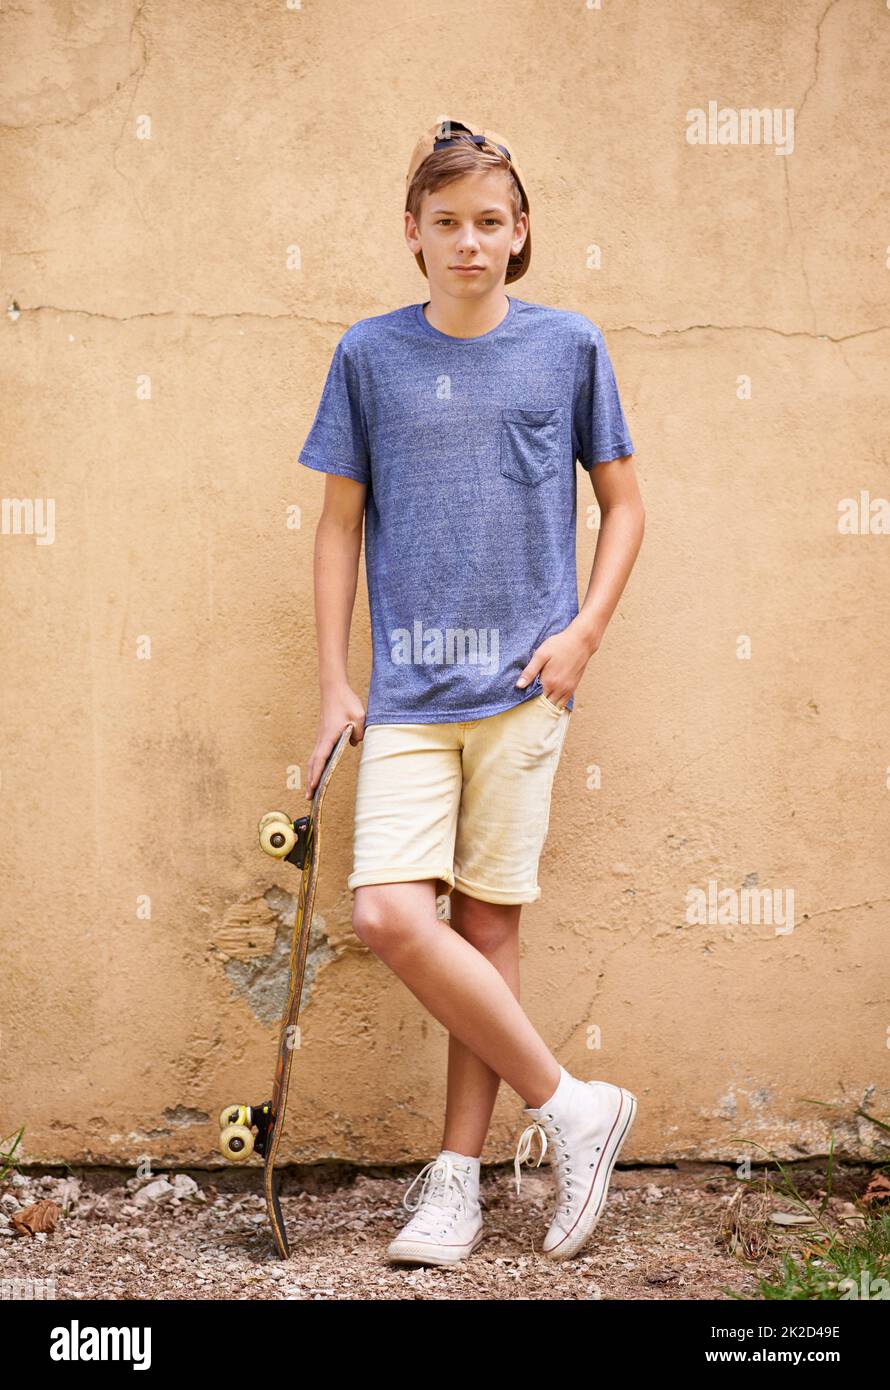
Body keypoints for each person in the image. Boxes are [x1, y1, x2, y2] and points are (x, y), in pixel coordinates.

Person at [297, 118, 644, 1266]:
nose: (467, 242)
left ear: (520, 232)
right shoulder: (368, 355)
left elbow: (625, 506)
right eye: (444, 223)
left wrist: (583, 636)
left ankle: (456, 1179)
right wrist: (335, 686)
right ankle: (570, 1105)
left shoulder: (567, 347)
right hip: (405, 694)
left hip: (521, 692)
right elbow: (337, 525)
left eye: (488, 222)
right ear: (412, 233)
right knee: (392, 913)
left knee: (486, 931)